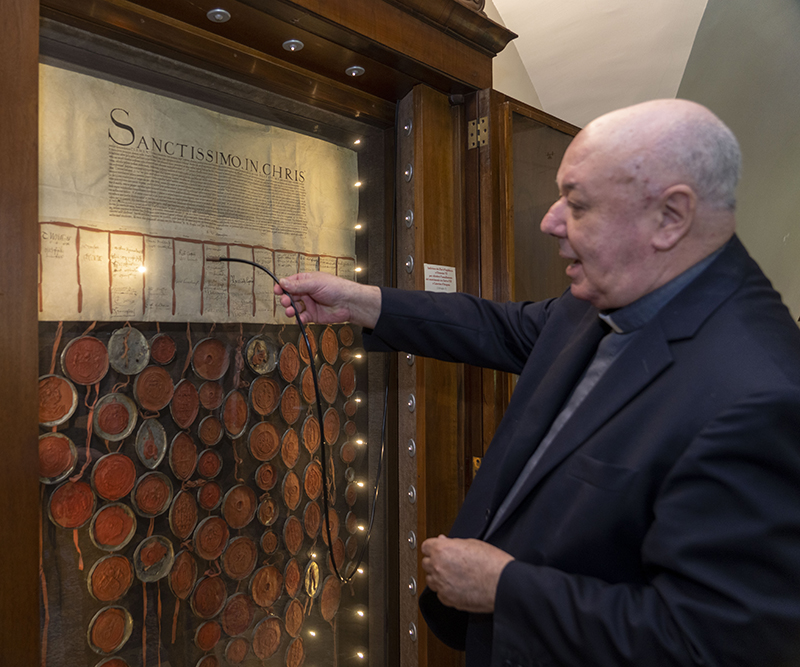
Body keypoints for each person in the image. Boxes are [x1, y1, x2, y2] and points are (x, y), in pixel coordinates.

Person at [274, 99, 800, 666]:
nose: (549, 221)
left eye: (577, 203)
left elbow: (716, 644)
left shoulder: (760, 394)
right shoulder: (604, 296)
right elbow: (500, 328)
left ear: (670, 218)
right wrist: (358, 301)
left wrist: (504, 587)